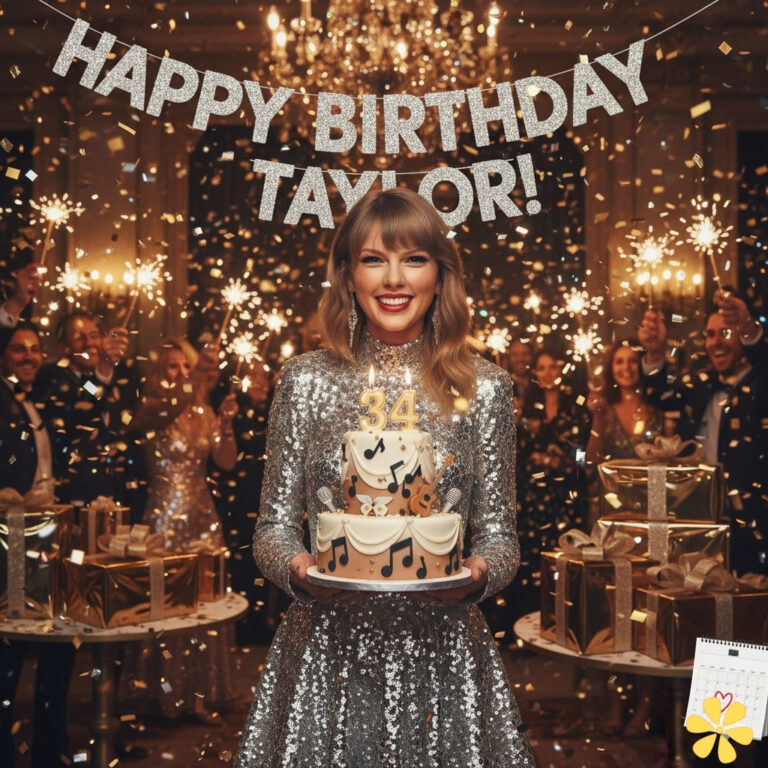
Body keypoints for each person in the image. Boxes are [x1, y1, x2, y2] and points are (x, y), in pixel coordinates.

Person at [234, 188, 535, 767]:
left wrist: (477, 573)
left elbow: (501, 538)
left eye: (414, 259)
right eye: (374, 259)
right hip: (327, 653)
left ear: (440, 275)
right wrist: (299, 569)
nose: (394, 279)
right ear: (348, 275)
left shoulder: (485, 388)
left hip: (444, 652)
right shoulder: (304, 381)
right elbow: (271, 530)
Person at [127, 338, 239, 723]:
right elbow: (161, 414)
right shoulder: (151, 409)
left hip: (202, 516)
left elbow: (225, 462)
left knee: (204, 605)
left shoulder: (204, 412)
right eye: (172, 367)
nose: (180, 374)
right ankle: (160, 697)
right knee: (166, 605)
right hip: (164, 518)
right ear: (158, 373)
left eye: (186, 366)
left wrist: (226, 423)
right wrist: (194, 383)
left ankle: (199, 696)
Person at [639, 291, 768, 575]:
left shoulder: (762, 383)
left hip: (755, 531)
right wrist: (655, 353)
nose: (715, 342)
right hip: (699, 526)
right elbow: (659, 395)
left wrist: (748, 327)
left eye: (726, 332)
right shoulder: (701, 384)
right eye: (710, 334)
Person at [0, 322, 72, 768]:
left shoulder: (41, 398)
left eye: (34, 348)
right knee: (8, 649)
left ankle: (49, 750)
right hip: (8, 540)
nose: (28, 355)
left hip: (49, 535)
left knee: (58, 641)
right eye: (17, 348)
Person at [510, 348, 590, 625]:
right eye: (541, 368)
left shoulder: (576, 406)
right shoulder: (527, 409)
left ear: (561, 370)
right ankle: (535, 619)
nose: (547, 373)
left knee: (567, 555)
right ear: (535, 373)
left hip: (566, 494)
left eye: (553, 367)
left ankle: (569, 621)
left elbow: (582, 454)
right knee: (535, 558)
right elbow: (519, 454)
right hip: (534, 497)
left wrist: (559, 461)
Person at [586, 339, 672, 463]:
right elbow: (592, 460)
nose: (626, 367)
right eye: (619, 362)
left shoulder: (657, 407)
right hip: (613, 476)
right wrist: (598, 416)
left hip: (653, 476)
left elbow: (670, 459)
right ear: (611, 368)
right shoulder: (605, 409)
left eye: (633, 361)